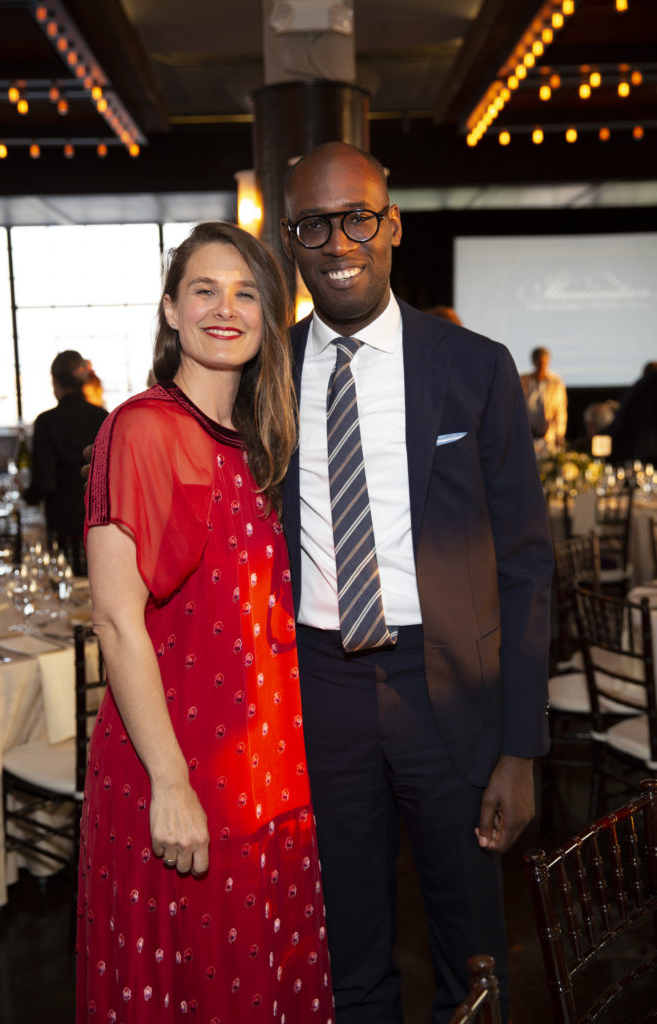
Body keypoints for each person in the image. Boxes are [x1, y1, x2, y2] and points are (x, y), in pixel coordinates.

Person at [278, 142, 553, 1024]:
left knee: (473, 950)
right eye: (312, 224)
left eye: (356, 216)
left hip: (450, 692)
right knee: (345, 948)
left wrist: (521, 745)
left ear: (390, 224)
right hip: (319, 688)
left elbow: (523, 564)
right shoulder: (263, 379)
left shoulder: (474, 367)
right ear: (291, 240)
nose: (338, 240)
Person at [77, 223, 334, 1023]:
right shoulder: (143, 428)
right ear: (170, 310)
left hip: (261, 774)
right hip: (177, 769)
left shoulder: (257, 446)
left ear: (268, 316)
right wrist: (172, 785)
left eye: (246, 293)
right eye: (204, 290)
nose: (226, 308)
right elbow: (117, 622)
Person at [23, 350, 108, 572]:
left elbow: (45, 481)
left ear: (55, 381)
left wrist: (25, 495)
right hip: (99, 518)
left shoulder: (47, 422)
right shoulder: (102, 416)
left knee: (67, 583)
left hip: (62, 521)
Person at [519, 346, 567, 449]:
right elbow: (515, 406)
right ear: (533, 361)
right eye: (539, 362)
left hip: (547, 434)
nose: (542, 365)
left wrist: (560, 433)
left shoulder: (555, 382)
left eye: (545, 362)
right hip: (526, 433)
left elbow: (560, 409)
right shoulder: (523, 380)